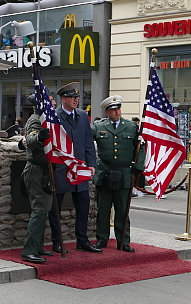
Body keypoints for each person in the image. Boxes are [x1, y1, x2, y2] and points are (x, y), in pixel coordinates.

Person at [48, 82, 101, 253]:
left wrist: (91, 164)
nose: (76, 100)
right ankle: (57, 241)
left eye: (77, 97)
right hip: (61, 168)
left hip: (80, 168)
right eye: (72, 97)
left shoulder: (82, 116)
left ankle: (82, 240)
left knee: (83, 205)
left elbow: (88, 142)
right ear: (63, 99)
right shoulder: (54, 116)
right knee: (56, 206)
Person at [92, 96, 145, 253]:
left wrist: (138, 169)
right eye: (113, 109)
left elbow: (140, 147)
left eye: (118, 109)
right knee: (103, 209)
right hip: (104, 172)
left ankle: (124, 241)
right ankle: (102, 239)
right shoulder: (98, 126)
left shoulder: (130, 127)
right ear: (107, 111)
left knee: (122, 210)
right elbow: (87, 144)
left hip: (124, 172)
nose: (117, 112)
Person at [20, 88, 56, 263]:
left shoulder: (46, 119)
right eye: (50, 100)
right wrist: (40, 137)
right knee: (39, 210)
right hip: (36, 170)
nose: (54, 103)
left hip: (45, 170)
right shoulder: (35, 120)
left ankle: (38, 246)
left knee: (44, 210)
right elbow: (30, 140)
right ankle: (30, 250)